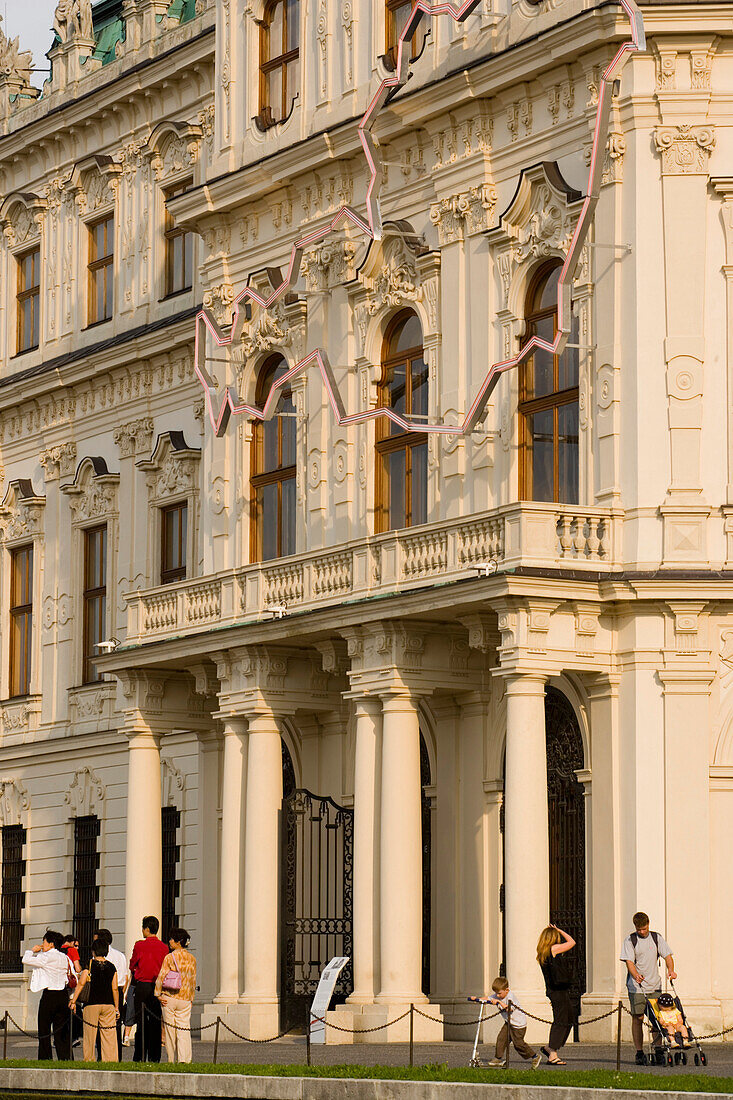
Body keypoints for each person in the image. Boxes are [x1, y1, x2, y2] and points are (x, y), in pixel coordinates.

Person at [620, 911, 676, 1065]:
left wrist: (670, 970)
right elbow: (629, 962)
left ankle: (658, 1049)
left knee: (657, 1019)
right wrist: (635, 975)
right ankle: (639, 1051)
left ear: (648, 925)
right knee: (638, 1018)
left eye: (644, 929)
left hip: (654, 986)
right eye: (639, 930)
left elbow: (668, 956)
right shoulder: (630, 940)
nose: (642, 932)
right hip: (637, 987)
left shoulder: (656, 938)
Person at [22, 930, 72, 1061]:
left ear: (51, 944)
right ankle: (65, 1057)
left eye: (44, 942)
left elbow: (26, 960)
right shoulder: (64, 957)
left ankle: (45, 1057)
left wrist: (32, 950)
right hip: (63, 994)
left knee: (44, 1028)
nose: (42, 944)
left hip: (50, 995)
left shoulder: (46, 957)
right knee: (61, 1030)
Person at [69, 938, 119, 1063]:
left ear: (94, 951)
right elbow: (115, 988)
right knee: (109, 1036)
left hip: (91, 1003)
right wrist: (117, 1007)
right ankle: (111, 1060)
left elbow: (81, 983)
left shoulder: (89, 964)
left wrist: (74, 1000)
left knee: (89, 1035)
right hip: (108, 1004)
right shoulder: (112, 967)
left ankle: (89, 1059)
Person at [476, 977, 542, 1068]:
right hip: (508, 1023)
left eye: (499, 993)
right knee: (501, 1039)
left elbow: (509, 1009)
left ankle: (535, 1056)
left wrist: (498, 1002)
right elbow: (488, 998)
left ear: (506, 990)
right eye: (496, 993)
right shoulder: (498, 995)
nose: (497, 995)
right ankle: (498, 1058)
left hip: (518, 1025)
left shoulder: (511, 997)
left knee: (518, 1044)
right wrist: (477, 999)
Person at [129, 915, 169, 1062]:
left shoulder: (139, 945)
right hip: (158, 987)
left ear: (146, 929)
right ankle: (154, 1057)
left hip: (142, 986)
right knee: (155, 1022)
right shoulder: (164, 947)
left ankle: (139, 1056)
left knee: (141, 1022)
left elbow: (133, 964)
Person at [154, 928, 197, 1064]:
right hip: (185, 998)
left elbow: (161, 976)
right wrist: (191, 998)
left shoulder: (170, 957)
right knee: (184, 1029)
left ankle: (171, 1059)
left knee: (170, 1030)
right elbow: (192, 980)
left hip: (170, 997)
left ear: (178, 941)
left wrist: (157, 994)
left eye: (172, 939)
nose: (170, 941)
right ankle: (185, 1059)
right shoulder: (192, 958)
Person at [536, 923, 576, 1065]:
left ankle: (551, 1047)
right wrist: (559, 929)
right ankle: (552, 1052)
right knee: (561, 1020)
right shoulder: (553, 949)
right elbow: (572, 942)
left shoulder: (543, 952)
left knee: (569, 1017)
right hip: (558, 991)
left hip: (555, 991)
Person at [96, 929, 128, 1058]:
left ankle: (102, 1055)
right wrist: (122, 994)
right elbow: (125, 977)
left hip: (105, 991)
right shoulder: (120, 955)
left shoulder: (101, 957)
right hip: (119, 991)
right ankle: (117, 1055)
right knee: (116, 1026)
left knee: (101, 1026)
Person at [60, 933, 83, 1047]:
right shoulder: (72, 951)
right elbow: (77, 968)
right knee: (73, 1009)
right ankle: (73, 1037)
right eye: (76, 945)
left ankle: (60, 1038)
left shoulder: (58, 950)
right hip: (71, 985)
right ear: (71, 942)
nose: (77, 948)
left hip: (59, 984)